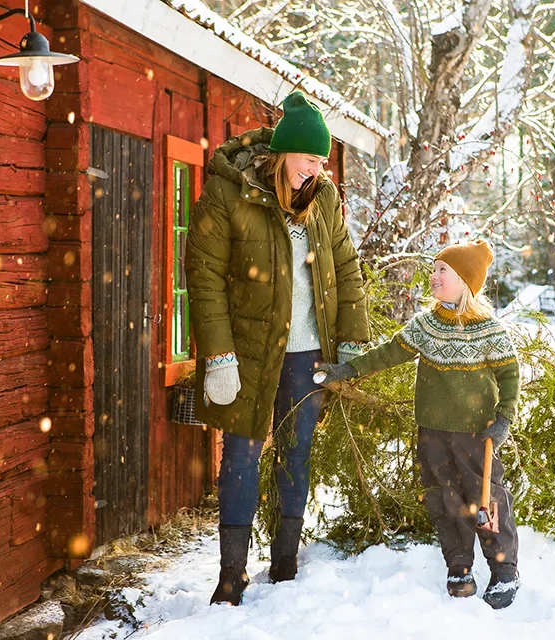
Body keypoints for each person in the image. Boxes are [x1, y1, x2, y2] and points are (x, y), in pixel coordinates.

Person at [185, 91, 369, 606]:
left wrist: (351, 340)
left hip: (309, 352)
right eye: (309, 158)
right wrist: (219, 354)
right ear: (283, 153)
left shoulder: (322, 198)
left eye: (322, 161)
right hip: (247, 351)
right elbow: (203, 275)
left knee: (296, 451)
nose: (316, 170)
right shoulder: (229, 192)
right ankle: (231, 575)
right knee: (241, 455)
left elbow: (346, 267)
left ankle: (286, 562)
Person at [316, 239, 522, 609]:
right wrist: (349, 369)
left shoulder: (488, 330)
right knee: (444, 498)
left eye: (443, 270)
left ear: (464, 282)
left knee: (485, 500)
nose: (434, 275)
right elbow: (389, 353)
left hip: (476, 433)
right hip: (433, 432)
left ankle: (504, 570)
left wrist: (504, 417)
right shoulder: (426, 325)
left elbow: (510, 375)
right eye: (434, 269)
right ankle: (459, 567)